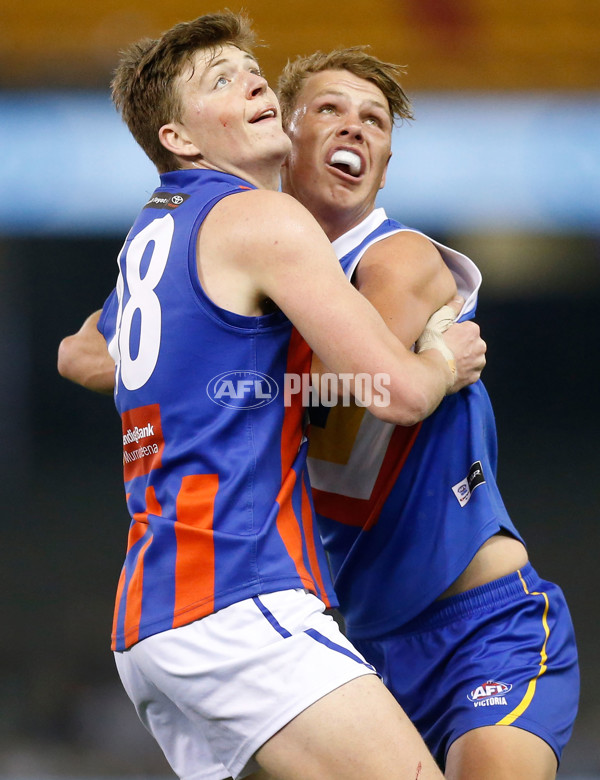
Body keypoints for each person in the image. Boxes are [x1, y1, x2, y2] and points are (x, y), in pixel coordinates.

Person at [58, 12, 487, 780]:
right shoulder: (262, 217)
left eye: (249, 68)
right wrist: (441, 358)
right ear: (181, 141)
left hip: (150, 621)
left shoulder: (151, 237)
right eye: (220, 80)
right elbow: (394, 395)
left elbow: (75, 353)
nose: (253, 80)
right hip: (236, 592)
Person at [275, 48, 579, 779]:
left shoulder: (397, 257)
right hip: (359, 646)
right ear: (282, 136)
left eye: (374, 120)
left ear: (382, 167)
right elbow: (87, 352)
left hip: (485, 625)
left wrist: (432, 369)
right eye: (330, 108)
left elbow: (360, 383)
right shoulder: (247, 275)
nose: (356, 127)